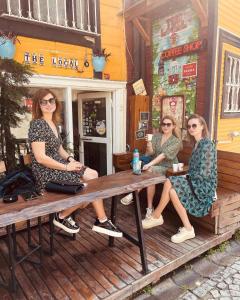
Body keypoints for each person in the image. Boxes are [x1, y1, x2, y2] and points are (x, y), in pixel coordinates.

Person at [28, 88, 122, 238]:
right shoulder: (37, 124)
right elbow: (40, 158)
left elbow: (59, 148)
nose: (48, 104)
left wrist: (71, 160)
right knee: (85, 187)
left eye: (51, 100)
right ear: (38, 105)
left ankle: (91, 219)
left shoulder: (52, 123)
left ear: (55, 102)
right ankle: (67, 216)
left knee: (93, 175)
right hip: (46, 172)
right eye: (43, 102)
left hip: (59, 166)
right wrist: (66, 167)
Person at [142, 114, 217, 244]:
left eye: (194, 125)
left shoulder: (207, 144)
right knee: (172, 191)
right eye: (189, 126)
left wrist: (186, 177)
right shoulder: (197, 144)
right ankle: (188, 229)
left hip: (204, 186)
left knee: (170, 181)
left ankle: (156, 216)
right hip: (195, 180)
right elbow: (195, 168)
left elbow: (205, 173)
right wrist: (185, 173)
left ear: (202, 127)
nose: (191, 128)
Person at [121, 115, 182, 220]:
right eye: (164, 124)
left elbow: (163, 155)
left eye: (168, 124)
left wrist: (150, 164)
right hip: (155, 166)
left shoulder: (176, 141)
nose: (166, 126)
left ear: (173, 126)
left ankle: (133, 193)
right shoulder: (157, 136)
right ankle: (149, 208)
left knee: (149, 171)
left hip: (169, 168)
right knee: (151, 178)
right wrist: (149, 144)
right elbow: (150, 153)